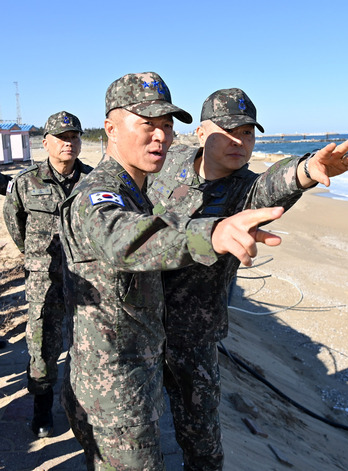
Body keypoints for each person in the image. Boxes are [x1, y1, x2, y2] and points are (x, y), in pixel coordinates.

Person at [59, 73, 285, 470]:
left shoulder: (137, 189)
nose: (160, 136)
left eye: (166, 125)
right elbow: (123, 239)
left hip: (134, 381)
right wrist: (212, 233)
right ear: (111, 128)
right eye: (147, 124)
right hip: (114, 393)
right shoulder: (99, 194)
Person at [147, 88, 348, 470]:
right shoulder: (170, 161)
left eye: (248, 133)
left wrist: (307, 169)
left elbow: (276, 182)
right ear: (200, 133)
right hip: (141, 319)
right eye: (228, 131)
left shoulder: (247, 191)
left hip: (193, 333)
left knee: (201, 439)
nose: (240, 141)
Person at [2, 111, 92, 437]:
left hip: (85, 280)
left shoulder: (94, 181)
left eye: (74, 137)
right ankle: (42, 410)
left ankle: (81, 406)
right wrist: (37, 256)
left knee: (86, 345)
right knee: (42, 345)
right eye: (62, 138)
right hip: (44, 279)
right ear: (46, 143)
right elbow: (15, 224)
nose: (69, 143)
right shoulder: (27, 182)